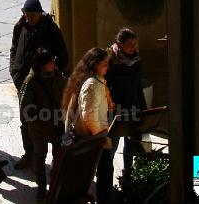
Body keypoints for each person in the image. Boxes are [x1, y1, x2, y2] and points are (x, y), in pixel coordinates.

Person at [9, 0, 68, 169]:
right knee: (26, 120)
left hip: (44, 86)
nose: (28, 18)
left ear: (39, 13)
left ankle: (54, 160)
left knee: (50, 122)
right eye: (26, 14)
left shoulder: (51, 29)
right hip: (23, 82)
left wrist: (52, 77)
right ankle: (29, 154)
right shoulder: (20, 26)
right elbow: (14, 48)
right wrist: (14, 71)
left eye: (32, 15)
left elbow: (63, 57)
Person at [62, 47, 115, 204]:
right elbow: (89, 116)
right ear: (95, 64)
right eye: (105, 64)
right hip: (95, 139)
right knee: (104, 175)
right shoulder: (92, 84)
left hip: (94, 138)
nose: (108, 67)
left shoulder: (91, 80)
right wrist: (101, 137)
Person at [19, 47, 66, 201]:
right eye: (50, 62)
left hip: (57, 126)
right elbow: (25, 108)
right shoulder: (30, 81)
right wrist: (44, 115)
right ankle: (41, 188)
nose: (53, 63)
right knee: (39, 158)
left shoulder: (58, 76)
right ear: (42, 65)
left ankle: (55, 185)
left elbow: (68, 92)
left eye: (53, 60)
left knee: (58, 157)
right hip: (39, 128)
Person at [106, 28, 147, 176]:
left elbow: (138, 86)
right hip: (116, 109)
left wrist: (143, 109)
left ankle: (127, 175)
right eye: (129, 44)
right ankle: (106, 174)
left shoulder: (136, 61)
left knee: (131, 144)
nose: (132, 47)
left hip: (133, 106)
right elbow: (105, 86)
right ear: (119, 44)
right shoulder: (110, 61)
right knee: (112, 144)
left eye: (134, 44)